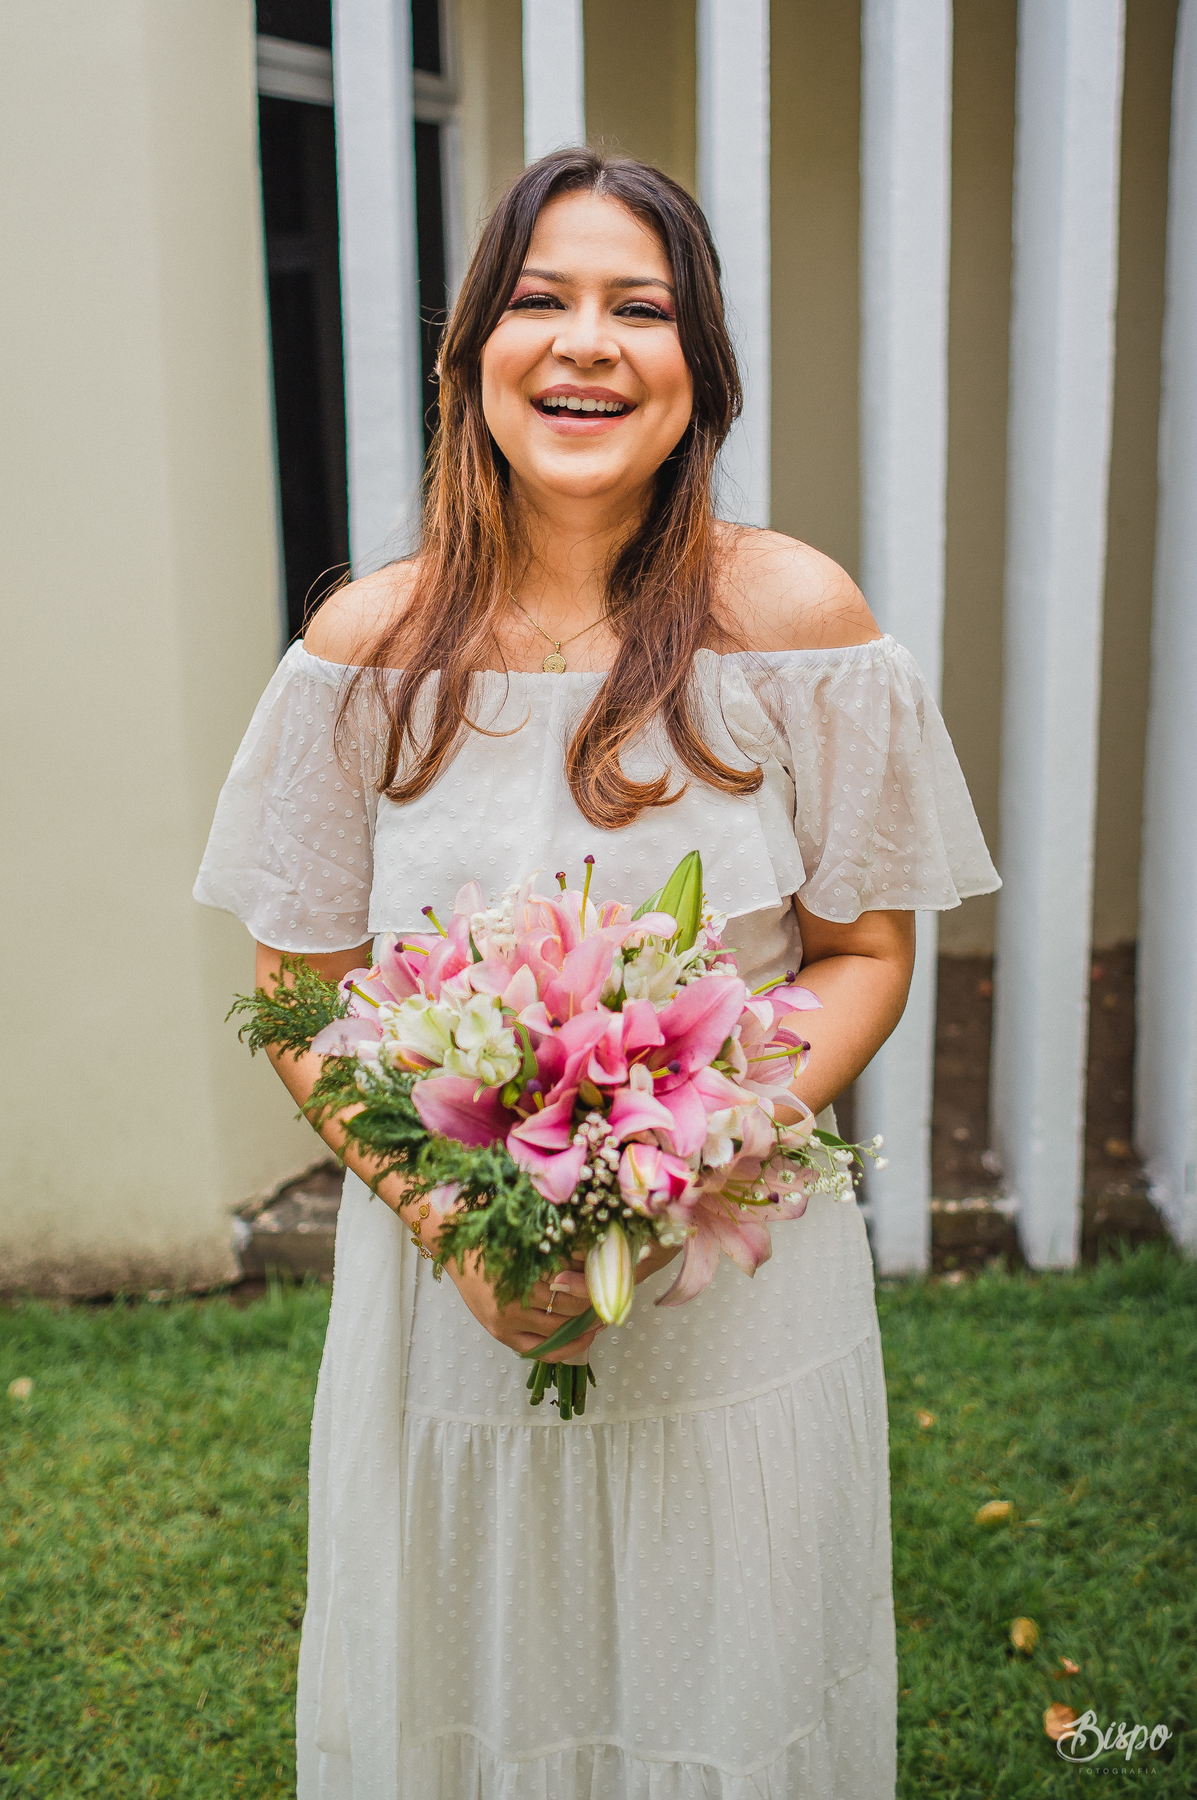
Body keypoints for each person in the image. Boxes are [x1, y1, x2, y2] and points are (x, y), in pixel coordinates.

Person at [196, 149, 998, 1799]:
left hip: (731, 1275)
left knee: (733, 1662)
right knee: (467, 1662)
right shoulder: (365, 649)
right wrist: (455, 1224)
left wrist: (673, 1156)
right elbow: (299, 982)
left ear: (699, 369)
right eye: (538, 300)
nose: (585, 342)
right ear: (470, 351)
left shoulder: (793, 620)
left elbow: (862, 952)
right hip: (444, 1293)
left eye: (640, 307)